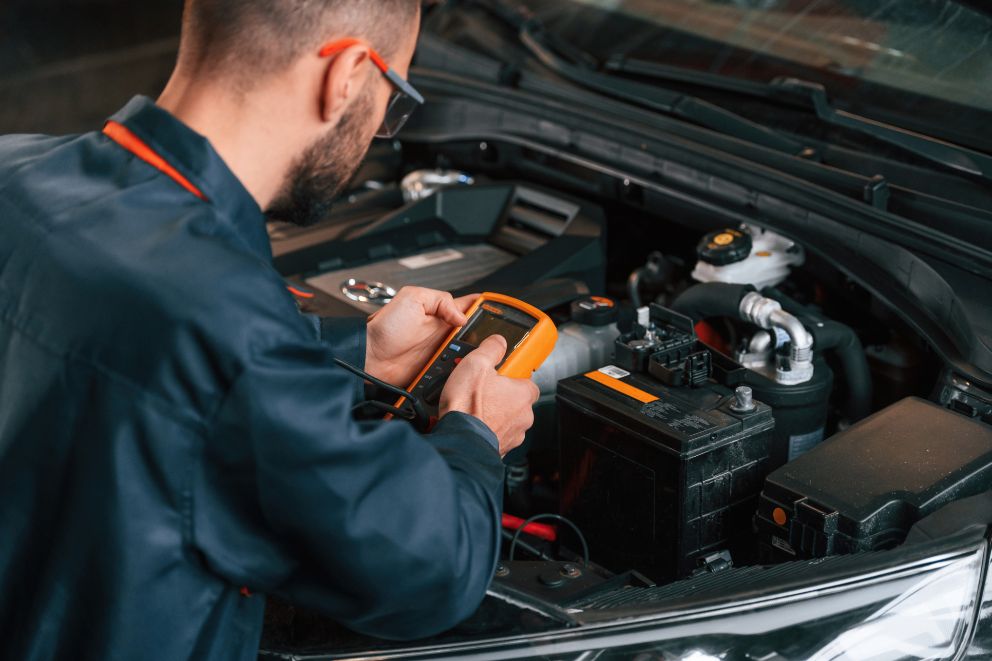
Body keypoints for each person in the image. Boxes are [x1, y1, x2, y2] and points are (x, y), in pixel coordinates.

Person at [0, 0, 541, 658]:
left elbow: (158, 374)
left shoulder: (14, 171)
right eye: (392, 97)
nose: (380, 126)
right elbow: (427, 569)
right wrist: (476, 435)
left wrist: (357, 349)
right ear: (346, 76)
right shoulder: (228, 322)